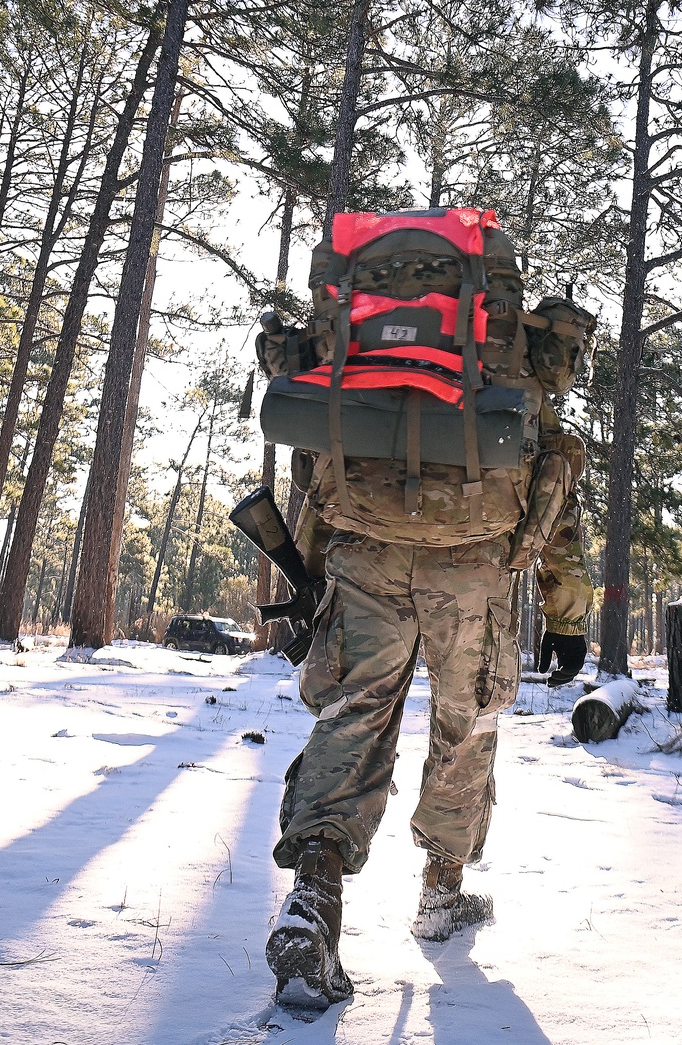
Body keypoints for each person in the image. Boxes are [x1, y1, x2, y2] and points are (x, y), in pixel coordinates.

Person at [257, 210, 594, 1013]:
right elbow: (554, 479)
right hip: (474, 567)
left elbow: (312, 465)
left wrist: (308, 567)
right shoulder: (510, 353)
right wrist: (568, 613)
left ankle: (314, 896)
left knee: (352, 715)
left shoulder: (352, 345)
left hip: (362, 551)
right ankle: (442, 890)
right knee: (466, 726)